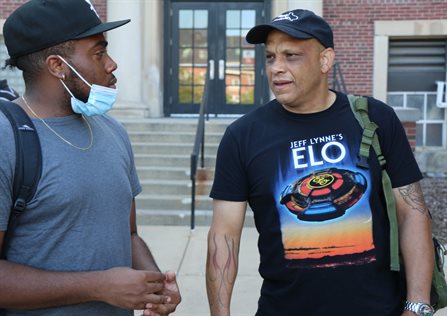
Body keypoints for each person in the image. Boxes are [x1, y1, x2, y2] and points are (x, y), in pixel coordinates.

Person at [206, 8, 434, 316]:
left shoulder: (376, 119)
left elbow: (413, 213)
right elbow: (224, 237)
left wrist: (417, 305)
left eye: (292, 56)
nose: (277, 68)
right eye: (271, 57)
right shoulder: (241, 137)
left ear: (325, 60)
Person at [0, 1, 180, 315]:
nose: (112, 64)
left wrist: (156, 286)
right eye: (98, 53)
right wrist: (99, 286)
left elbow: (130, 234)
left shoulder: (113, 131)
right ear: (57, 66)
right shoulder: (6, 139)